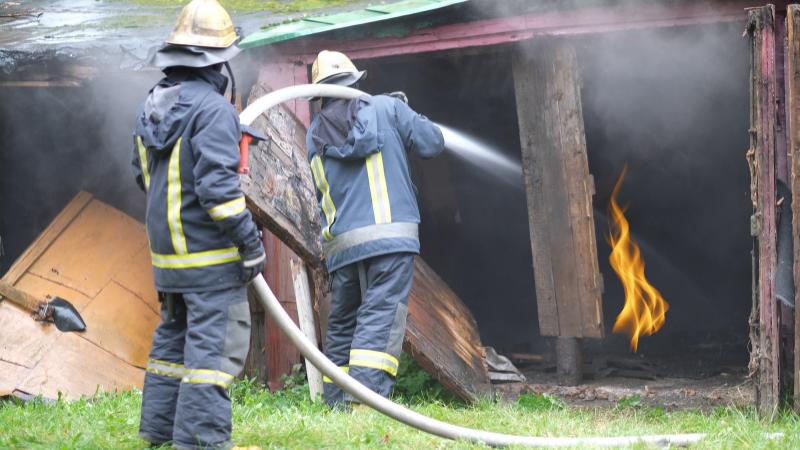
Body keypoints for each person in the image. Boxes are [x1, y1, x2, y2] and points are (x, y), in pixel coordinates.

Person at [131, 1, 265, 448]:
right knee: (212, 356)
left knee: (171, 347)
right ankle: (201, 442)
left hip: (168, 263)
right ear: (217, 62)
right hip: (210, 266)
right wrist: (250, 243)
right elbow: (218, 195)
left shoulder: (150, 108)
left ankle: (158, 434)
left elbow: (141, 176)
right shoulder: (212, 110)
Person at [306, 50, 445, 408]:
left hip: (342, 248)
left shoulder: (314, 134)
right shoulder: (387, 109)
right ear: (355, 82)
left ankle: (336, 404)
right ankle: (365, 408)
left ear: (320, 93)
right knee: (379, 321)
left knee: (342, 327)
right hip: (389, 241)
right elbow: (433, 142)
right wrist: (405, 112)